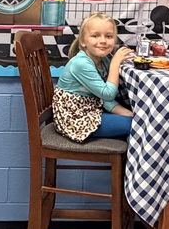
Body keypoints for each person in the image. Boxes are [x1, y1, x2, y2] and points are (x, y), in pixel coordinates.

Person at [53, 12, 134, 142]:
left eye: (109, 36)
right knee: (137, 126)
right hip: (74, 120)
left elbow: (105, 100)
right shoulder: (81, 63)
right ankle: (134, 162)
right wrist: (115, 64)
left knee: (136, 120)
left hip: (91, 110)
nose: (102, 41)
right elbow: (107, 94)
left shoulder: (104, 60)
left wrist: (128, 114)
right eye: (95, 36)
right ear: (83, 42)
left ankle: (128, 161)